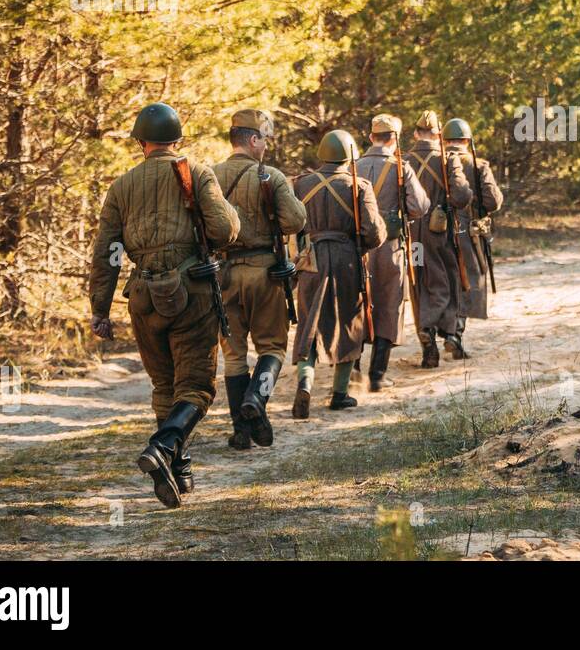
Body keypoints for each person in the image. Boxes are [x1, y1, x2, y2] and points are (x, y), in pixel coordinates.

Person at [89, 102, 239, 508]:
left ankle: (177, 471)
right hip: (192, 292)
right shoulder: (197, 173)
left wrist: (99, 310)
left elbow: (107, 253)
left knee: (164, 386)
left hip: (143, 295)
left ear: (141, 143)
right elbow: (224, 231)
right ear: (178, 139)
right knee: (196, 387)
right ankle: (163, 445)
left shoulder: (121, 187)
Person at [213, 109, 306, 450]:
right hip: (265, 274)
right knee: (273, 348)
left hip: (222, 277)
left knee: (234, 356)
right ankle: (257, 399)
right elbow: (295, 221)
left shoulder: (208, 177)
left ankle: (241, 432)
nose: (266, 147)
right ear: (253, 140)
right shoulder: (271, 177)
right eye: (264, 140)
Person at [291, 130, 386, 416]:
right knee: (349, 322)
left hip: (312, 260)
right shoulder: (359, 185)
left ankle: (305, 382)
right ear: (351, 156)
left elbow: (292, 225)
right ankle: (340, 393)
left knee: (309, 322)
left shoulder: (300, 185)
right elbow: (374, 232)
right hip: (347, 259)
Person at [352, 115, 430, 390]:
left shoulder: (354, 167)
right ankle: (377, 375)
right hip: (389, 248)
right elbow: (420, 206)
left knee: (358, 305)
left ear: (372, 137)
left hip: (357, 249)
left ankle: (353, 373)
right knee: (390, 305)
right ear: (395, 139)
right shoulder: (400, 167)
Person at [405, 111, 472, 367]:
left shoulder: (406, 160)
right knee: (445, 279)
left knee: (420, 281)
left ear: (415, 133)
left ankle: (427, 341)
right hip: (439, 232)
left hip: (413, 237)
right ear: (439, 134)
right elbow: (461, 197)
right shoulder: (448, 159)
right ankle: (436, 328)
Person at [441, 117, 503, 358]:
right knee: (468, 280)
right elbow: (493, 201)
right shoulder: (478, 164)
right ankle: (455, 333)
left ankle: (438, 333)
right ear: (467, 140)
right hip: (467, 230)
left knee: (439, 281)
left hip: (435, 229)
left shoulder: (435, 162)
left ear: (445, 140)